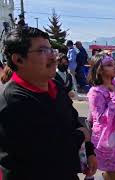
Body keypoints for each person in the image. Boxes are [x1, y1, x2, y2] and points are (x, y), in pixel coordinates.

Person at [0, 27, 97, 179]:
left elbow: (74, 120)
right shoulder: (12, 101)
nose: (53, 57)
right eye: (43, 51)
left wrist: (90, 151)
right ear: (18, 59)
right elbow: (48, 150)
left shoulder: (55, 86)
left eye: (51, 50)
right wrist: (81, 136)